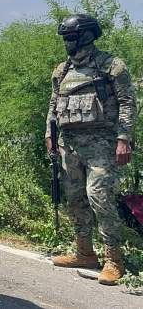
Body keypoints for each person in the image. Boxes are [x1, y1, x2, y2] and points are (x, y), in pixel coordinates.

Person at [45, 14, 136, 285]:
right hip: (69, 144)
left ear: (86, 35)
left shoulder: (111, 66)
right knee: (75, 199)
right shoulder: (62, 70)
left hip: (102, 143)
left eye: (70, 36)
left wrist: (124, 139)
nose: (66, 41)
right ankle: (84, 252)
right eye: (64, 37)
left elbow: (127, 103)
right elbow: (53, 104)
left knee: (99, 197)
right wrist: (49, 135)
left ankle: (113, 259)